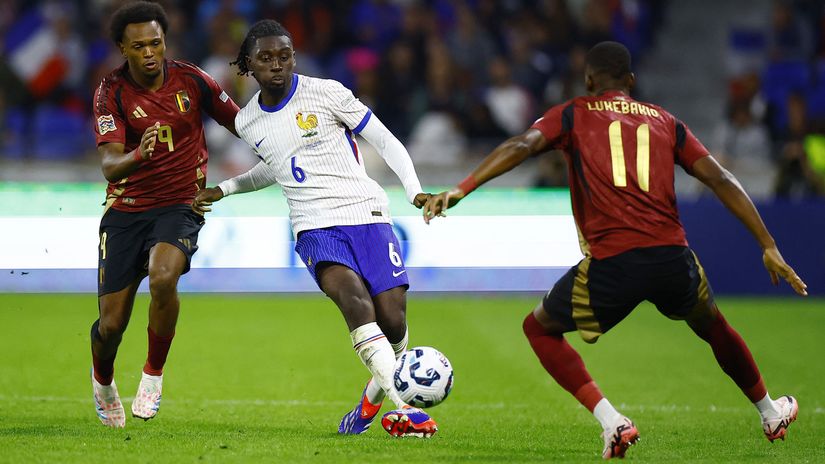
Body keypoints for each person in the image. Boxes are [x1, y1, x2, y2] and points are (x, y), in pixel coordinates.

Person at [423, 41, 808, 459]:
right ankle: (770, 412)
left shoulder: (572, 113)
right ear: (631, 81)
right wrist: (768, 244)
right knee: (713, 326)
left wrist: (462, 188)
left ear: (589, 81)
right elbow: (721, 178)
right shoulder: (666, 121)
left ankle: (613, 422)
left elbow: (522, 145)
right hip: (672, 258)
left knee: (539, 329)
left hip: (614, 262)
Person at [192, 20, 438, 438]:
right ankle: (405, 410)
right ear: (248, 64)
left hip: (367, 213)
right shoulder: (248, 120)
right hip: (314, 226)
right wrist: (226, 188)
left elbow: (385, 139)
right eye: (266, 58)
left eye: (284, 56)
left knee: (393, 322)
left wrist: (414, 191)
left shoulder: (327, 92)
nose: (277, 65)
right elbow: (277, 164)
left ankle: (369, 402)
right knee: (355, 302)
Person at [90, 1, 239, 428]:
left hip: (180, 204)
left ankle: (153, 374)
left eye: (156, 42)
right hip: (127, 209)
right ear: (123, 47)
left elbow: (241, 122)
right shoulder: (110, 92)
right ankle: (103, 380)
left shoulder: (192, 80)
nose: (150, 52)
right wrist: (140, 153)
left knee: (163, 276)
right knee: (111, 326)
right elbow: (109, 165)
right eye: (139, 46)